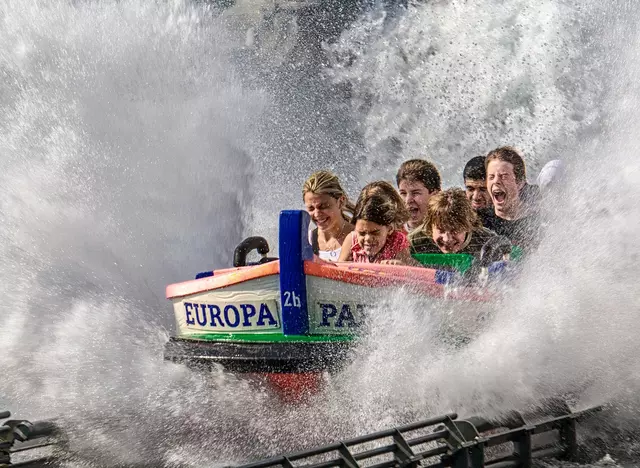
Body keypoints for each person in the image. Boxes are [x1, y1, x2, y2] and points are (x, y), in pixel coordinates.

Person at [477, 146, 540, 249]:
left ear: (519, 183)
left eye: (504, 176)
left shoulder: (537, 221)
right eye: (491, 177)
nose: (496, 181)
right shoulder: (480, 222)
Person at [409, 188, 498, 256]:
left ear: (468, 226)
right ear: (430, 227)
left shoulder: (487, 242)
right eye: (441, 230)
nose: (447, 239)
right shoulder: (413, 243)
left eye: (454, 230)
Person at [338, 192, 414, 264]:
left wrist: (400, 266)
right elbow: (339, 269)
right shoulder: (352, 240)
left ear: (390, 229)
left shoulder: (396, 241)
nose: (368, 238)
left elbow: (413, 271)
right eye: (362, 233)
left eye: (375, 233)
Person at [303, 171, 355, 262]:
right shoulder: (307, 241)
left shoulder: (361, 239)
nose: (316, 214)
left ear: (341, 202)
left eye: (323, 206)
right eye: (311, 208)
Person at [396, 159, 441, 232]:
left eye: (415, 193)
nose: (408, 200)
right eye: (403, 193)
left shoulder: (448, 236)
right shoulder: (388, 232)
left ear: (435, 196)